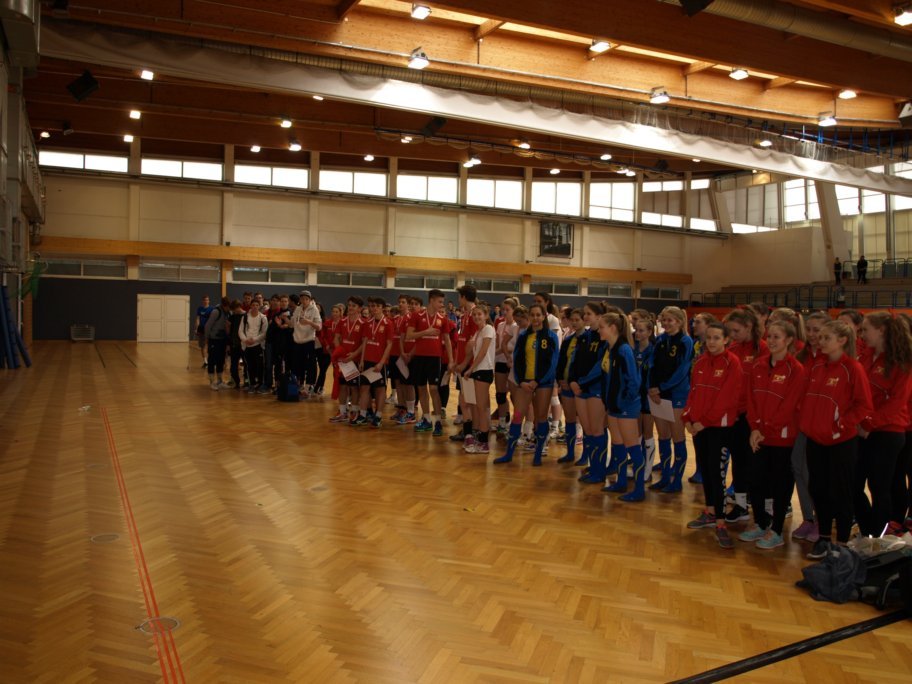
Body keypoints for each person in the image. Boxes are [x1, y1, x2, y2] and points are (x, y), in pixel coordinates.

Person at [799, 319, 873, 559]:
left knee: (840, 492)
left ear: (842, 340)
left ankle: (841, 542)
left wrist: (841, 425)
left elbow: (864, 405)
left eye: (826, 338)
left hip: (841, 442)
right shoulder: (817, 366)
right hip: (815, 439)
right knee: (818, 489)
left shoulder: (852, 368)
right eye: (820, 337)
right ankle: (823, 539)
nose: (820, 341)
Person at [741, 320, 806, 549]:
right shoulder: (758, 366)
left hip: (782, 437)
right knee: (755, 479)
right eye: (769, 336)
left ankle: (777, 529)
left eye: (777, 337)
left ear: (789, 340)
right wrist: (755, 427)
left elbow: (789, 406)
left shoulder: (796, 369)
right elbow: (751, 399)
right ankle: (760, 522)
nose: (771, 341)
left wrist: (766, 429)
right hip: (759, 435)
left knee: (780, 484)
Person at [683, 322, 742, 549]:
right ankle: (709, 512)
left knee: (717, 475)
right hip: (698, 427)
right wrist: (688, 418)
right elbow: (693, 392)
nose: (712, 342)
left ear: (726, 340)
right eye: (709, 338)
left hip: (718, 427)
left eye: (717, 338)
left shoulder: (732, 363)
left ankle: (721, 523)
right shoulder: (700, 362)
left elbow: (727, 399)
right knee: (706, 471)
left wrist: (704, 421)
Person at [855, 312, 912, 537]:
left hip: (887, 432)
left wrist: (869, 423)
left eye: (865, 330)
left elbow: (897, 403)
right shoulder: (865, 357)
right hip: (862, 430)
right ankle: (869, 530)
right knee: (853, 485)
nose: (862, 335)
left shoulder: (901, 362)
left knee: (880, 487)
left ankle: (876, 536)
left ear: (881, 331)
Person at [494, 304, 559, 466]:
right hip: (524, 383)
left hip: (543, 384)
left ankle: (538, 454)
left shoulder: (551, 336)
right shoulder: (523, 336)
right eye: (533, 315)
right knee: (517, 415)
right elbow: (518, 360)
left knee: (541, 418)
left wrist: (538, 381)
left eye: (538, 315)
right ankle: (509, 453)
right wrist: (521, 381)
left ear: (544, 317)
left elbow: (553, 362)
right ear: (529, 316)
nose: (535, 318)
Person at [722, 307, 769, 521]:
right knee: (739, 462)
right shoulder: (733, 348)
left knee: (756, 465)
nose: (732, 335)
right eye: (730, 331)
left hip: (755, 417)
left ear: (749, 327)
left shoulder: (763, 350)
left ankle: (763, 511)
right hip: (736, 415)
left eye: (736, 331)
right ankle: (741, 506)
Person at [597, 312, 647, 502]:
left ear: (613, 328)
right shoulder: (609, 348)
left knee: (632, 446)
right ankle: (621, 482)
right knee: (617, 444)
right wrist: (609, 400)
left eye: (602, 327)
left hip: (625, 406)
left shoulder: (624, 349)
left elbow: (633, 381)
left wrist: (624, 402)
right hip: (613, 405)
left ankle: (639, 489)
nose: (599, 330)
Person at [647, 306, 694, 493]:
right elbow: (651, 365)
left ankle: (676, 482)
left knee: (678, 437)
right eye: (664, 319)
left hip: (676, 395)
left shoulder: (685, 341)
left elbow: (682, 370)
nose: (666, 323)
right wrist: (652, 388)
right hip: (657, 395)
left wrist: (662, 387)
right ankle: (665, 477)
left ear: (679, 322)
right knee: (663, 437)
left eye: (670, 320)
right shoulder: (660, 340)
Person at [406, 289, 454, 436]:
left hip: (435, 358)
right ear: (431, 300)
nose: (442, 304)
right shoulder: (417, 315)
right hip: (419, 357)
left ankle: (438, 421)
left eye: (442, 302)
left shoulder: (443, 318)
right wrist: (425, 332)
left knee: (434, 389)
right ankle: (426, 419)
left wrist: (451, 360)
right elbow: (409, 335)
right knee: (421, 388)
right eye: (440, 301)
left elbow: (447, 340)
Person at [569, 301, 607, 475]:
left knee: (597, 430)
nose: (585, 316)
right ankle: (594, 467)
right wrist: (572, 380)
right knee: (588, 430)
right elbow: (574, 361)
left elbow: (601, 365)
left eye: (589, 313)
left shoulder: (603, 338)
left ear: (599, 316)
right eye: (584, 313)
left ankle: (599, 470)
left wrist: (582, 382)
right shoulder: (584, 337)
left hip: (595, 388)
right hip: (579, 389)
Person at [356, 297, 395, 428]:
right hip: (367, 360)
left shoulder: (388, 323)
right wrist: (362, 360)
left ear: (382, 308)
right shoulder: (367, 323)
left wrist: (382, 363)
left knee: (380, 389)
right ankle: (362, 415)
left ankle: (378, 416)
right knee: (364, 388)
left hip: (379, 362)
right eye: (372, 306)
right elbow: (365, 342)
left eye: (377, 306)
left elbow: (389, 345)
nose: (374, 308)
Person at [462, 304, 496, 454]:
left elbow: (483, 352)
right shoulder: (477, 332)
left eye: (479, 314)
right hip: (477, 370)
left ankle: (484, 442)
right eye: (474, 314)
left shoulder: (488, 329)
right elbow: (469, 351)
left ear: (486, 316)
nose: (476, 317)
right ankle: (477, 436)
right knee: (474, 405)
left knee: (481, 407)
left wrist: (470, 369)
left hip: (484, 370)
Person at [329, 297, 366, 423]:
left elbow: (364, 343)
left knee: (354, 387)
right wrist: (340, 352)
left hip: (354, 360)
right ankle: (342, 412)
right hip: (343, 360)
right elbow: (336, 338)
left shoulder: (363, 323)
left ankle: (354, 411)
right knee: (342, 386)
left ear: (360, 308)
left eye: (354, 306)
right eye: (349, 305)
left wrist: (354, 354)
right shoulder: (342, 321)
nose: (350, 307)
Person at [451, 285, 480, 447]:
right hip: (463, 364)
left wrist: (464, 363)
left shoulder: (475, 314)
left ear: (463, 297)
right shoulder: (465, 315)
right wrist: (457, 361)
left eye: (459, 296)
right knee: (465, 400)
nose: (458, 300)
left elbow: (473, 343)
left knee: (467, 401)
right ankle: (469, 430)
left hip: (469, 365)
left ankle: (472, 431)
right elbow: (463, 342)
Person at [555, 308, 585, 464]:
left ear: (584, 321)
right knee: (570, 420)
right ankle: (570, 452)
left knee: (585, 422)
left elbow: (586, 366)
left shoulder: (589, 339)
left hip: (581, 386)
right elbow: (561, 362)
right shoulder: (568, 340)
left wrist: (578, 382)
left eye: (577, 320)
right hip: (566, 385)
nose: (574, 323)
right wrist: (561, 379)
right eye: (572, 320)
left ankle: (586, 455)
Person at [494, 297, 519, 435]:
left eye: (507, 310)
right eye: (503, 309)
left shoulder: (517, 326)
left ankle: (517, 423)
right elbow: (498, 345)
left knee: (515, 397)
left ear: (514, 311)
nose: (504, 312)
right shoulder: (500, 325)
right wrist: (493, 352)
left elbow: (514, 348)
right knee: (500, 394)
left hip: (512, 363)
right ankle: (502, 422)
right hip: (500, 362)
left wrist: (503, 350)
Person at [292, 290, 322, 395]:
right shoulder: (298, 309)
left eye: (306, 299)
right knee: (297, 364)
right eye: (302, 299)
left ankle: (309, 386)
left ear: (309, 300)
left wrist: (309, 322)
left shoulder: (314, 309)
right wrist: (284, 321)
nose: (304, 301)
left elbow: (319, 327)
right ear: (300, 299)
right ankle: (299, 385)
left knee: (310, 365)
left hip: (309, 341)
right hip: (297, 341)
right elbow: (292, 323)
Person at [239, 298, 268, 393]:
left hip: (258, 345)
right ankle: (251, 384)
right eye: (253, 305)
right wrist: (245, 340)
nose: (255, 307)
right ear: (250, 306)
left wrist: (254, 340)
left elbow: (264, 333)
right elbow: (240, 331)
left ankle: (260, 384)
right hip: (247, 345)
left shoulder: (263, 318)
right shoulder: (245, 317)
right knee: (249, 366)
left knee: (260, 366)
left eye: (257, 305)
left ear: (259, 306)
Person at [204, 296, 231, 390]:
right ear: (224, 305)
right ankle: (212, 382)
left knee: (221, 360)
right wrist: (207, 338)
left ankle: (220, 381)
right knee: (212, 360)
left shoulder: (228, 312)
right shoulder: (216, 312)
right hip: (213, 339)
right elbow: (207, 326)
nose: (229, 309)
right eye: (227, 307)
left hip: (222, 340)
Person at [227, 299, 245, 389]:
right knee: (233, 365)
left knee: (246, 364)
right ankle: (236, 382)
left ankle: (247, 382)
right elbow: (229, 330)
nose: (233, 311)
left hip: (244, 344)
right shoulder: (232, 317)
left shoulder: (246, 316)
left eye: (234, 309)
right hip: (234, 344)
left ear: (238, 307)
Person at [194, 295, 214, 368]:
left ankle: (211, 361)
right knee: (202, 346)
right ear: (202, 301)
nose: (206, 301)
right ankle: (205, 361)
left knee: (208, 345)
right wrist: (196, 328)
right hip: (201, 329)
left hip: (209, 330)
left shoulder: (211, 309)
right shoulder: (200, 309)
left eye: (207, 300)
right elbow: (197, 319)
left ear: (209, 301)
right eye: (204, 300)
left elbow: (212, 319)